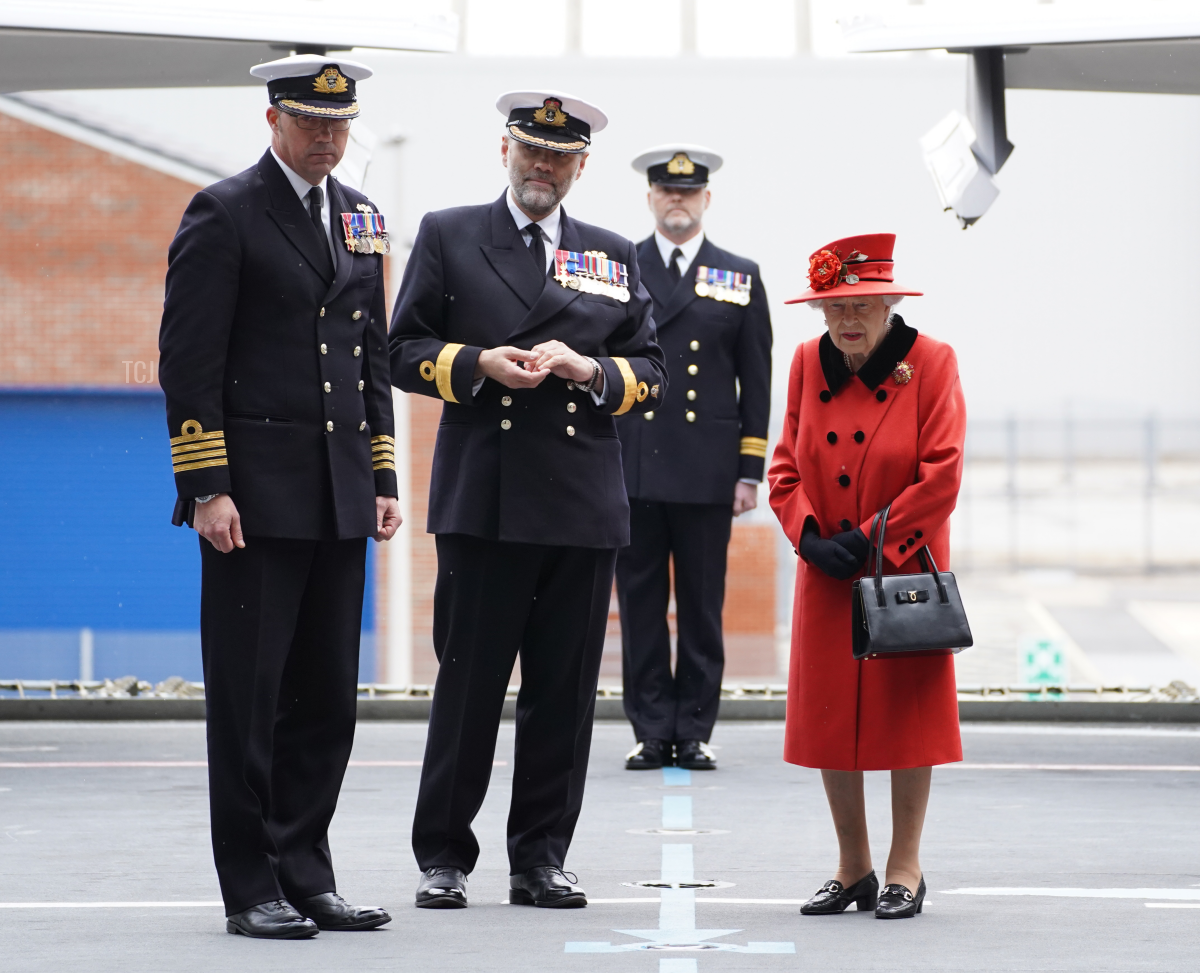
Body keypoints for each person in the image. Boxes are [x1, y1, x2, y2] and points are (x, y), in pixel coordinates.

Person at [389, 90, 667, 911]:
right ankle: (443, 854)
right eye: (529, 150)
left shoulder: (613, 254)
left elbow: (647, 369)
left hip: (581, 506)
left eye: (559, 156)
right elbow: (402, 349)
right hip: (488, 501)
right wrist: (477, 363)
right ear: (503, 152)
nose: (542, 166)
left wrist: (590, 370)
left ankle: (539, 857)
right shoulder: (449, 233)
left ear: (582, 166)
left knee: (564, 692)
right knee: (469, 686)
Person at [158, 53, 399, 939]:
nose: (327, 139)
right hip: (253, 502)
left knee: (326, 696)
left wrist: (382, 475)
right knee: (251, 697)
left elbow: (369, 353)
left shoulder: (363, 218)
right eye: (310, 123)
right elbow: (188, 363)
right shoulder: (224, 213)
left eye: (339, 125)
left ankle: (307, 871)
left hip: (338, 496)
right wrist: (208, 486)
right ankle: (249, 882)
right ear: (273, 121)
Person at [767, 233, 965, 920]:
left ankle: (904, 866)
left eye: (860, 306)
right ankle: (853, 867)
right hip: (828, 576)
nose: (846, 321)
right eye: (832, 308)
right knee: (831, 719)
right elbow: (784, 466)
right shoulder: (803, 363)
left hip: (901, 569)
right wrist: (810, 533)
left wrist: (874, 535)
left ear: (888, 302)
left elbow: (942, 474)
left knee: (906, 718)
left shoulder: (932, 362)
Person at [616, 145, 772, 772]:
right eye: (666, 192)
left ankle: (696, 729)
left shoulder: (738, 274)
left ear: (706, 199)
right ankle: (652, 730)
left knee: (703, 606)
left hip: (708, 471)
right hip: (635, 466)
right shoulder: (617, 266)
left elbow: (755, 380)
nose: (676, 200)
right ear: (651, 198)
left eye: (689, 192)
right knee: (641, 605)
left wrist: (749, 469)